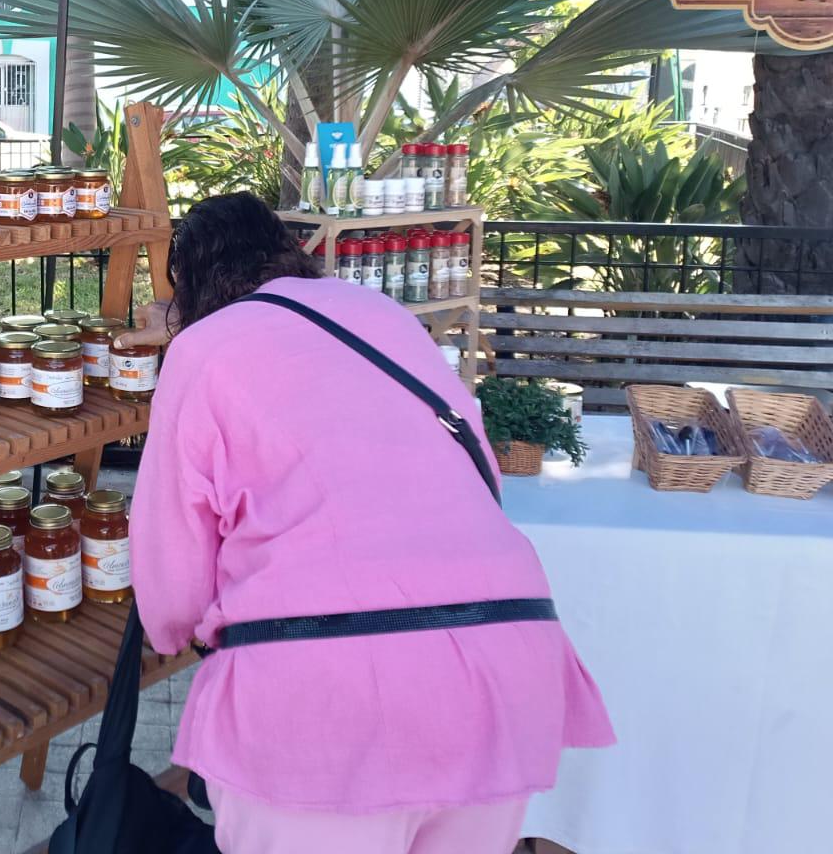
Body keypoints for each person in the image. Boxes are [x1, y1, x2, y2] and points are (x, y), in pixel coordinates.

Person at [123, 193, 612, 854]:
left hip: (325, 694)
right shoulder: (380, 313)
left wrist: (176, 629)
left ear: (189, 285)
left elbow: (172, 586)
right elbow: (480, 471)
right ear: (286, 250)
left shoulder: (200, 351)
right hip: (504, 663)